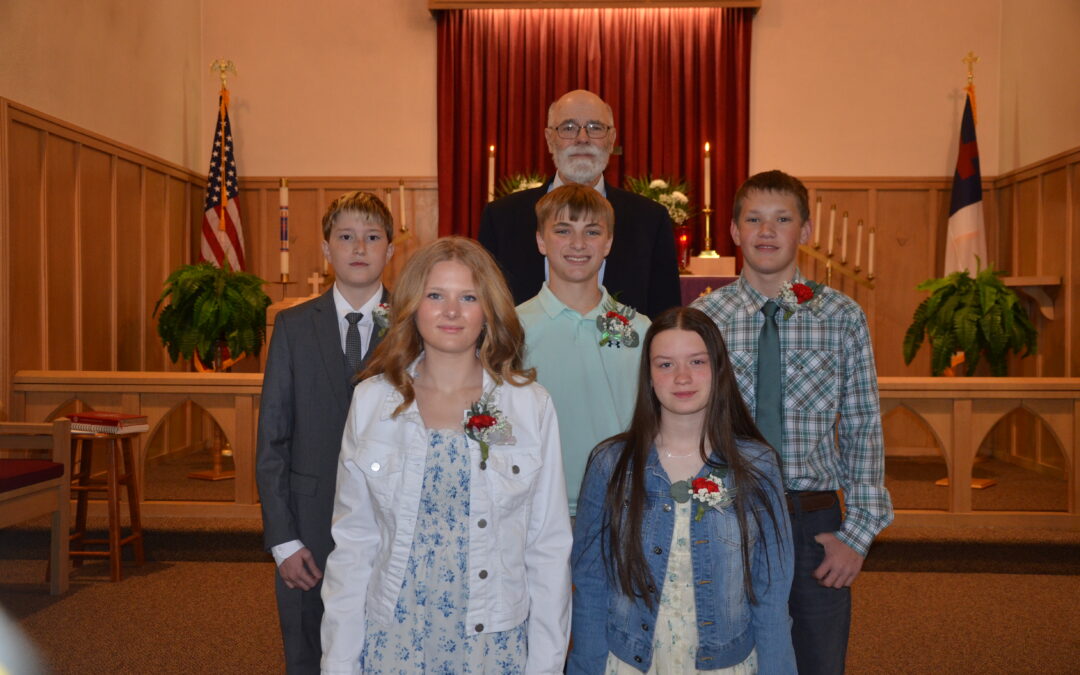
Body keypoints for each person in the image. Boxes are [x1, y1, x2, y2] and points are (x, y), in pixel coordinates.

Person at [320, 236, 572, 674]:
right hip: (395, 635)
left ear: (487, 311)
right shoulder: (372, 402)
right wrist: (339, 663)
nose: (451, 311)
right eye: (436, 295)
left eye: (468, 297)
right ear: (414, 306)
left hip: (492, 639)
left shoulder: (530, 406)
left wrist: (546, 664)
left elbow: (547, 548)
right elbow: (354, 545)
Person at [692, 170, 893, 674]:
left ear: (805, 231)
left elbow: (864, 424)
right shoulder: (704, 317)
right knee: (725, 657)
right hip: (727, 511)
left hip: (812, 519)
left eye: (782, 219)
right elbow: (685, 419)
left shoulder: (841, 316)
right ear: (734, 231)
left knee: (818, 660)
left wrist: (858, 532)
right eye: (754, 219)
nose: (767, 231)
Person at [570, 307, 795, 674]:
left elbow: (771, 595)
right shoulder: (610, 464)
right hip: (629, 660)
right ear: (649, 377)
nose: (682, 377)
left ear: (719, 369)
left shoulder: (757, 466)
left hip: (725, 662)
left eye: (696, 361)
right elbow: (591, 584)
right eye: (665, 365)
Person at [256, 191, 394, 674]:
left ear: (390, 251)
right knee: (309, 654)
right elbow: (272, 439)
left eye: (373, 237)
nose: (360, 247)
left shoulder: (413, 325)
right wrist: (283, 541)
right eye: (347, 237)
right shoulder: (292, 326)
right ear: (327, 249)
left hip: (388, 524)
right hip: (307, 526)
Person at [478, 89, 681, 318]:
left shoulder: (650, 220)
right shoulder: (502, 218)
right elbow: (485, 308)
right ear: (549, 139)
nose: (582, 138)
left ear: (611, 139)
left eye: (595, 128)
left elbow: (665, 317)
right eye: (568, 127)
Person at [517, 183, 650, 516]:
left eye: (592, 232)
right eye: (563, 230)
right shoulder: (512, 328)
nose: (578, 244)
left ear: (608, 243)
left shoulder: (641, 329)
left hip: (620, 505)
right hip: (535, 506)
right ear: (540, 240)